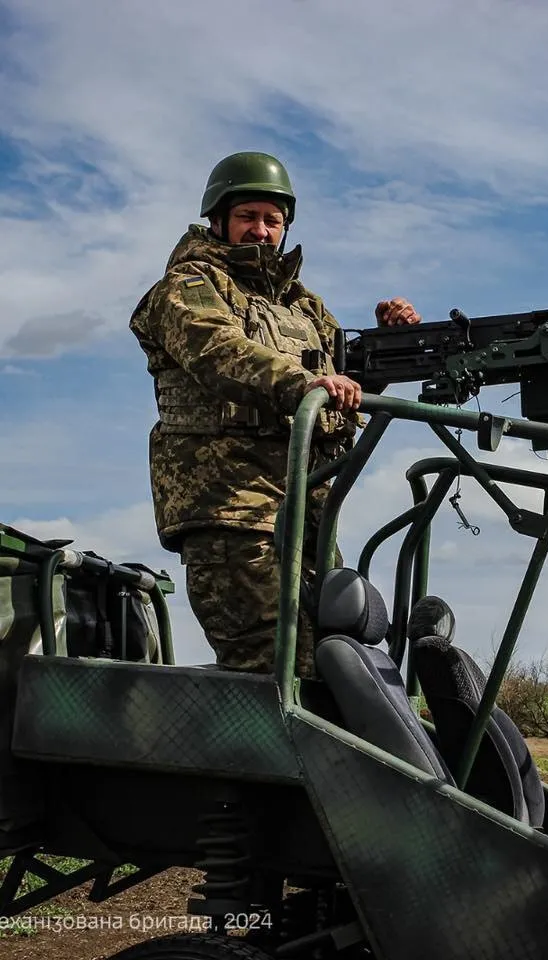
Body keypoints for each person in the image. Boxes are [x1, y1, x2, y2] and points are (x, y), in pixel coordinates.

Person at [130, 151, 420, 676]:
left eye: (273, 220)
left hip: (306, 513)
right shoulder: (187, 287)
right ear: (218, 220)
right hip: (231, 510)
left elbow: (345, 384)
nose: (261, 231)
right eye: (248, 217)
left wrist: (392, 344)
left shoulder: (304, 309)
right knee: (269, 664)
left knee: (331, 660)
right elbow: (217, 350)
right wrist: (305, 382)